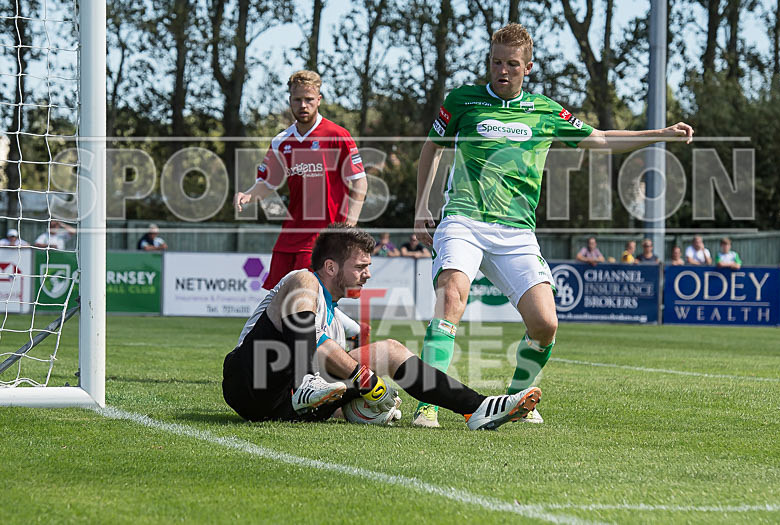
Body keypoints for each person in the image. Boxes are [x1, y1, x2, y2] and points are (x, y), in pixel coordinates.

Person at [412, 23, 693, 427]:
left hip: (516, 231)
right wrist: (422, 204)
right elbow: (431, 149)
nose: (502, 71)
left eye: (511, 64)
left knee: (545, 324)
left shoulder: (545, 110)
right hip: (464, 220)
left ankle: (514, 399)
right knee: (451, 299)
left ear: (527, 67)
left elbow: (600, 140)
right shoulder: (462, 101)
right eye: (495, 62)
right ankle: (429, 404)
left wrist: (660, 134)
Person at [221, 224, 541, 430]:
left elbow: (353, 341)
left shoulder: (336, 316)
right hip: (249, 380)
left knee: (391, 350)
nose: (368, 274)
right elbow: (322, 347)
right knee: (322, 331)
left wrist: (361, 399)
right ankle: (310, 382)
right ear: (331, 267)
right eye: (361, 267)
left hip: (286, 405)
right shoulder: (303, 282)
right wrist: (367, 382)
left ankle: (477, 407)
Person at [234, 70, 368, 290]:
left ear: (319, 100)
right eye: (297, 100)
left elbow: (360, 182)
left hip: (324, 235)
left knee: (305, 298)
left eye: (309, 99)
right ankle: (349, 326)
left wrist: (349, 225)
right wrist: (248, 195)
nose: (303, 105)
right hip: (290, 234)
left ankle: (345, 326)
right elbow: (267, 183)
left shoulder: (338, 136)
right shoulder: (281, 141)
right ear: (290, 100)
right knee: (276, 299)